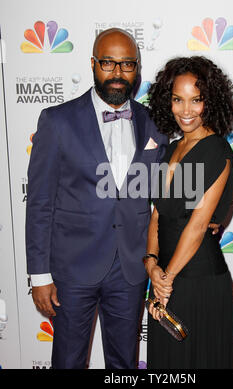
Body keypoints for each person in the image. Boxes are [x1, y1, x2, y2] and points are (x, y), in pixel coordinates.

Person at [25, 28, 169, 369]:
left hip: (131, 269)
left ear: (138, 69)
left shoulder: (153, 123)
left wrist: (209, 211)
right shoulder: (57, 121)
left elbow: (167, 192)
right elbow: (40, 203)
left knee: (124, 363)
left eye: (127, 65)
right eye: (108, 63)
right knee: (68, 361)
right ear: (93, 64)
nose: (118, 74)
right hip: (72, 269)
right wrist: (39, 276)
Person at [144, 56, 233, 369]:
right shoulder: (171, 149)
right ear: (166, 101)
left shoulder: (216, 150)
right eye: (177, 100)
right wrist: (152, 266)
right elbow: (158, 215)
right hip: (166, 281)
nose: (186, 111)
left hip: (199, 281)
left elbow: (197, 227)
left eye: (195, 100)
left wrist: (165, 283)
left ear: (210, 102)